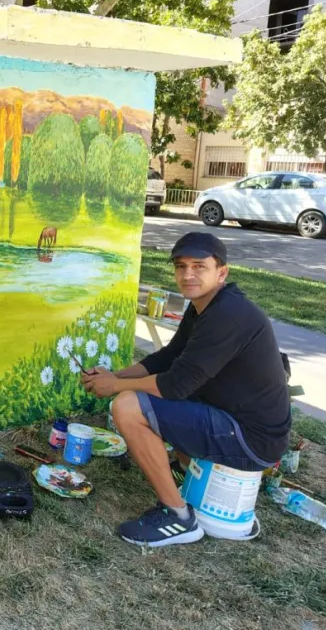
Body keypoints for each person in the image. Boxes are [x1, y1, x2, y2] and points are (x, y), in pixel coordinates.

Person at [82, 231, 291, 547]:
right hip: (233, 419)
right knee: (143, 396)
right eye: (181, 266)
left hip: (252, 441)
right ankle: (184, 470)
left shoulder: (228, 315)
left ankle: (178, 517)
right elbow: (168, 357)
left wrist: (115, 386)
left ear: (221, 273)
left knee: (128, 405)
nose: (187, 274)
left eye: (198, 266)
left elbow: (174, 385)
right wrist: (116, 375)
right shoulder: (205, 306)